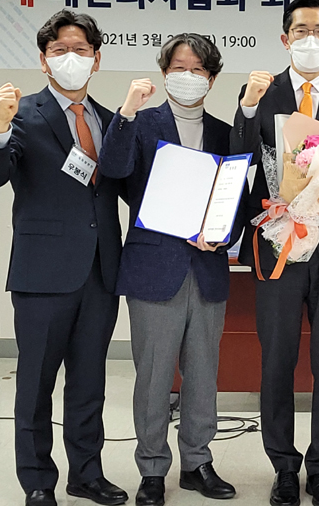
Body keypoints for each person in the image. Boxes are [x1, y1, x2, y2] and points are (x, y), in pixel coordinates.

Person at [0, 10, 127, 506]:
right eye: (59, 50)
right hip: (41, 273)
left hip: (100, 272)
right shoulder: (22, 114)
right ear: (44, 60)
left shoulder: (109, 120)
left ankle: (87, 474)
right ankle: (38, 479)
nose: (70, 58)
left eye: (80, 49)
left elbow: (124, 188)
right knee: (36, 383)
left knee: (89, 383)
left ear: (96, 59)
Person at [230, 0, 319, 506]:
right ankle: (284, 467)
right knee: (277, 361)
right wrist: (247, 107)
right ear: (284, 38)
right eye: (301, 31)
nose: (311, 40)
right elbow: (238, 158)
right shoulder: (260, 91)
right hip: (279, 246)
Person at [97, 34, 244, 506]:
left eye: (197, 69)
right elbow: (112, 170)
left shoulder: (225, 132)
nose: (187, 76)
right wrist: (126, 112)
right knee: (154, 376)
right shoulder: (141, 123)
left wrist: (223, 234)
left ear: (211, 79)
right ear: (164, 74)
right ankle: (152, 468)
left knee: (203, 373)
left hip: (207, 266)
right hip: (153, 267)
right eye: (178, 68)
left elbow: (238, 199)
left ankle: (198, 462)